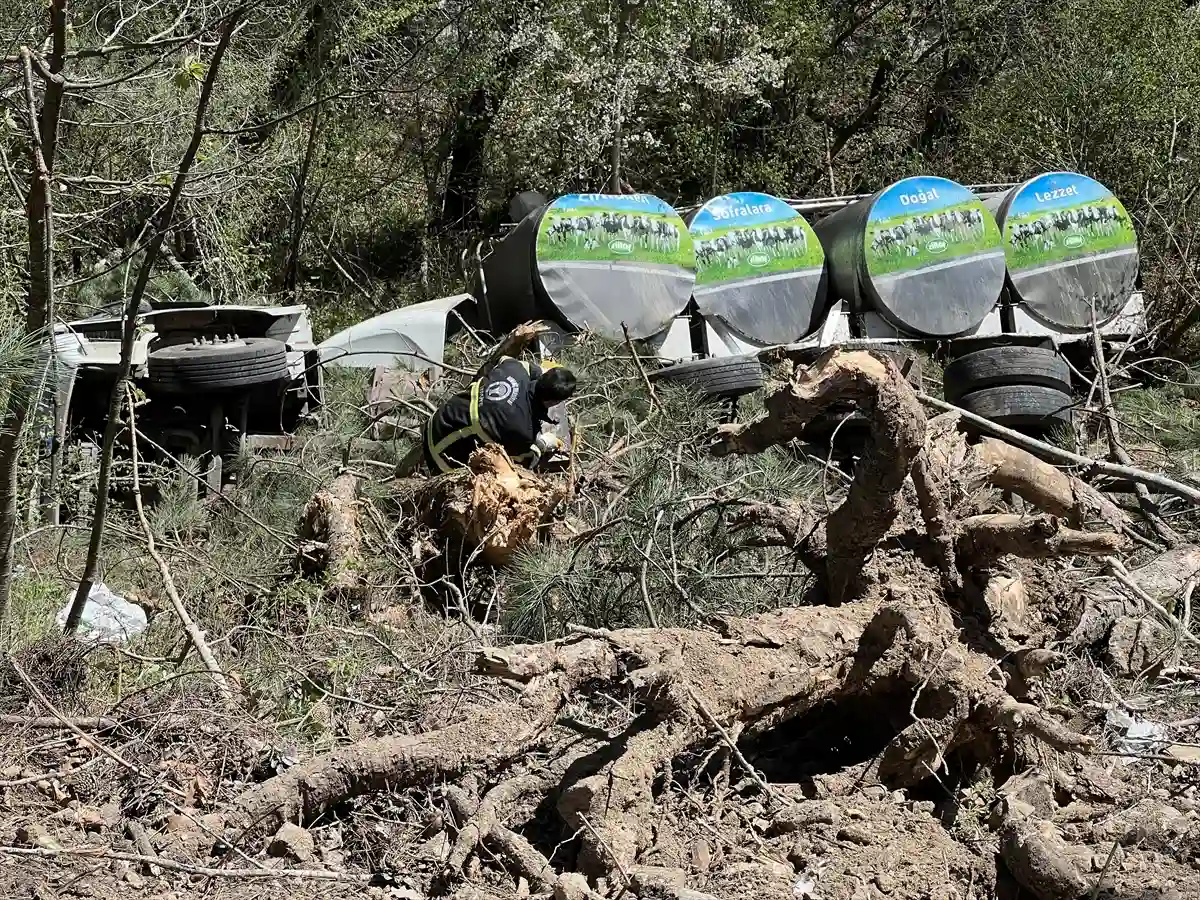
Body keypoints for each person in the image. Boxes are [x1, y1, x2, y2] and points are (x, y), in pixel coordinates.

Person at [423, 356, 577, 474]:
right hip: (440, 455)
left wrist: (545, 373)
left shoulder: (514, 368)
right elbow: (524, 464)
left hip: (438, 419)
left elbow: (506, 360)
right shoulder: (523, 431)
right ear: (554, 402)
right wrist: (542, 444)